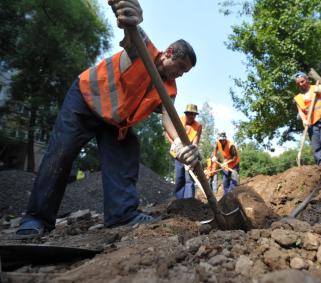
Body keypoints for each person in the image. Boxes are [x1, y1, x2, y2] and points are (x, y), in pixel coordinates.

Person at [15, 0, 199, 239]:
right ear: (168, 53)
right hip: (86, 100)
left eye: (185, 72)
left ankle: (122, 214)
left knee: (127, 151)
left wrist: (180, 144)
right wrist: (131, 16)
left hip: (114, 122)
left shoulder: (169, 88)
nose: (180, 74)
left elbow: (169, 118)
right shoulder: (143, 48)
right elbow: (132, 31)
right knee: (61, 153)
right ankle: (36, 218)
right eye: (180, 67)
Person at [166, 104, 202, 199]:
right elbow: (168, 133)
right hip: (178, 154)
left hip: (189, 155)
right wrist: (174, 144)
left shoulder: (198, 126)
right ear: (185, 114)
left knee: (189, 179)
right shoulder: (178, 121)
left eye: (193, 114)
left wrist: (192, 153)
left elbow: (195, 142)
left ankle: (189, 202)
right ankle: (179, 202)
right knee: (179, 178)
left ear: (195, 115)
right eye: (189, 114)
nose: (191, 116)